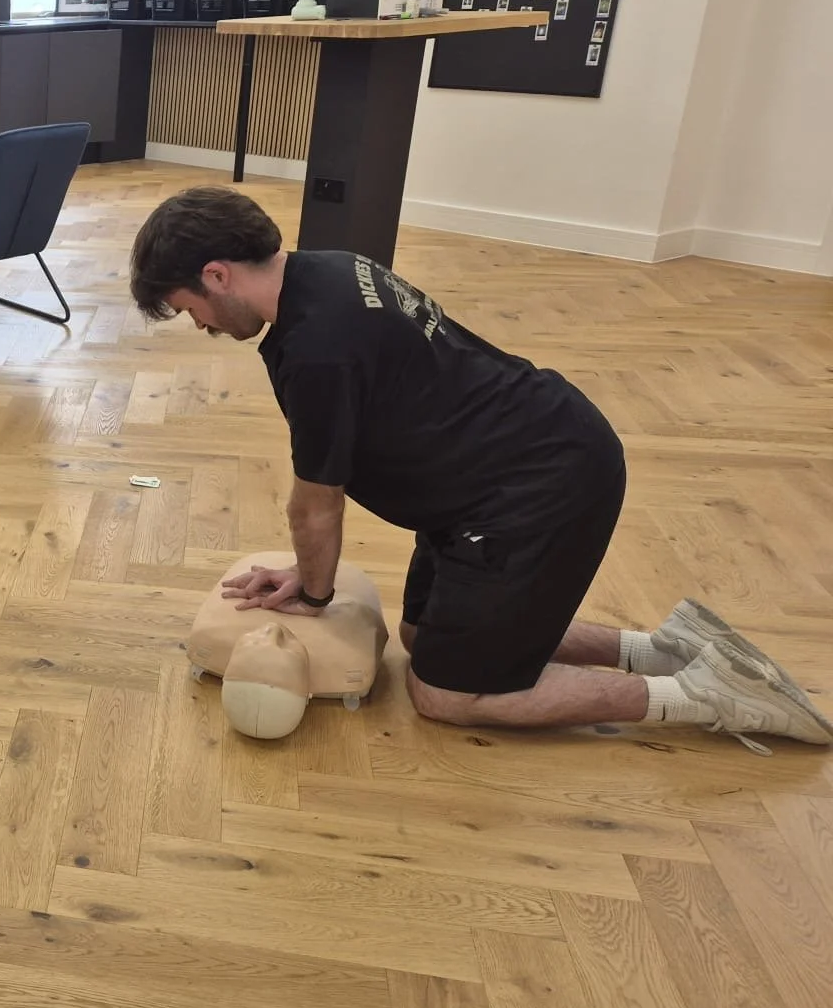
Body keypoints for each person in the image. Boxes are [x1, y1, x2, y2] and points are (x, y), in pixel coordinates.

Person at [126, 185, 832, 749]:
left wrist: (312, 597)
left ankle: (709, 697)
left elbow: (315, 504)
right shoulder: (331, 270)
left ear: (217, 274)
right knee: (420, 638)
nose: (203, 326)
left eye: (191, 310)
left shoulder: (317, 351)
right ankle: (668, 650)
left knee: (444, 692)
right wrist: (309, 581)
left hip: (535, 489)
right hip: (494, 474)